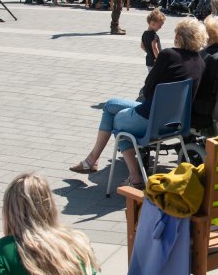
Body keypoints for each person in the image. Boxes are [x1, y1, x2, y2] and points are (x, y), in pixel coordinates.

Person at [70, 19, 208, 187]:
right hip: (176, 123)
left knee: (116, 120)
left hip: (151, 121)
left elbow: (148, 91)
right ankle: (92, 160)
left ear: (178, 37)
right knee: (110, 105)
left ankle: (132, 174)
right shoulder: (200, 62)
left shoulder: (168, 55)